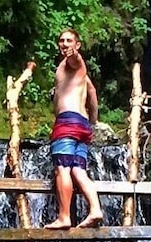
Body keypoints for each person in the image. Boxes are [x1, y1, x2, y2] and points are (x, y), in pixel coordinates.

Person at [42, 29, 104, 230]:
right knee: (78, 170)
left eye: (70, 41)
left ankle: (64, 217)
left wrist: (74, 55)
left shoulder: (74, 63)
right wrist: (92, 123)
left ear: (77, 45)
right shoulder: (80, 75)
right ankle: (95, 209)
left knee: (62, 168)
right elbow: (92, 93)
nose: (65, 43)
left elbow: (76, 60)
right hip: (82, 126)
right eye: (61, 40)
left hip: (67, 122)